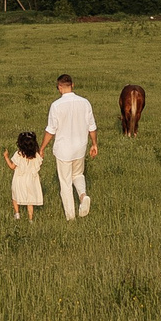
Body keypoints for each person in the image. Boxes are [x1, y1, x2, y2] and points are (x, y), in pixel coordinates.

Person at [42, 73, 97, 220]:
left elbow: (51, 130)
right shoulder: (85, 103)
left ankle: (71, 217)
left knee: (65, 183)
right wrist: (94, 144)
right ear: (72, 85)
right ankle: (83, 196)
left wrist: (41, 148)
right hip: (80, 147)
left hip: (63, 151)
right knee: (78, 175)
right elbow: (92, 127)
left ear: (60, 87)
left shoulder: (56, 106)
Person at [3, 131, 45, 222]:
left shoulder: (18, 155)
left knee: (15, 196)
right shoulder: (36, 156)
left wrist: (6, 157)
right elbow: (39, 164)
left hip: (19, 180)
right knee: (30, 200)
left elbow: (12, 167)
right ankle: (30, 219)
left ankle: (17, 214)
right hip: (31, 181)